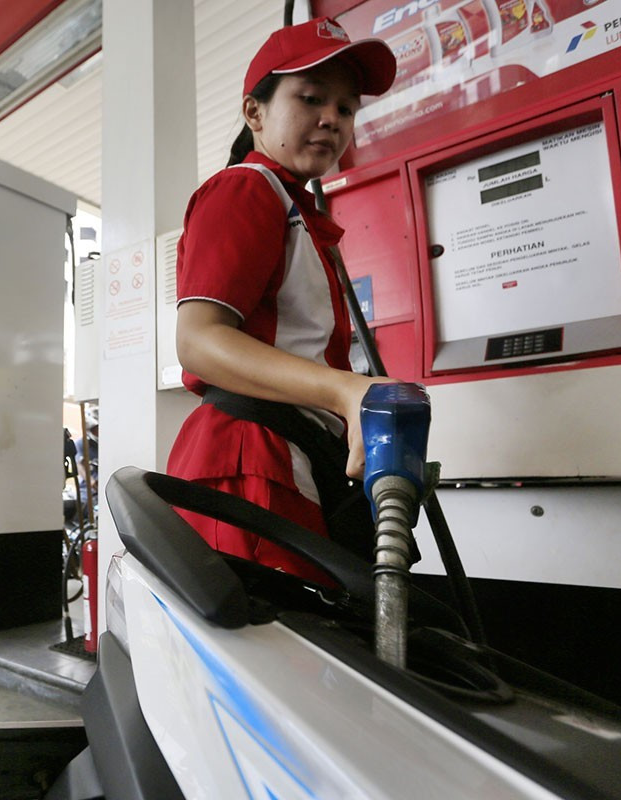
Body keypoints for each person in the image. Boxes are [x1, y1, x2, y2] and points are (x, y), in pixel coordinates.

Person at [166, 18, 397, 581]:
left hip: (286, 453)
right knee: (275, 649)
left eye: (346, 109)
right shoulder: (245, 187)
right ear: (255, 113)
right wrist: (347, 390)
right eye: (311, 98)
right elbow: (197, 341)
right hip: (250, 457)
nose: (332, 120)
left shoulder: (293, 207)